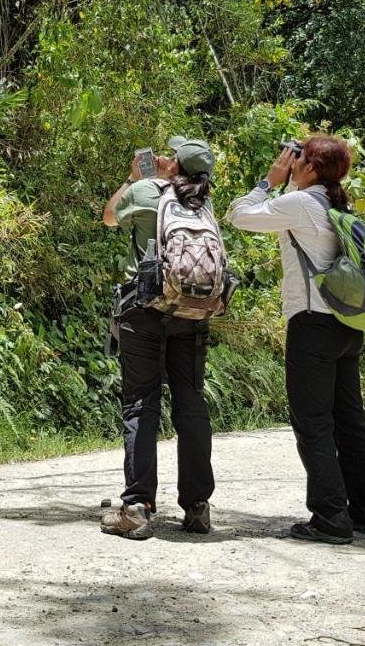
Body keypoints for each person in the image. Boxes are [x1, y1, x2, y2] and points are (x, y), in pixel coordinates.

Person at [226, 136, 365, 545]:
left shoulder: (301, 203)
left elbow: (239, 216)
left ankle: (331, 517)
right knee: (351, 422)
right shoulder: (336, 204)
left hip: (312, 323)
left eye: (298, 159)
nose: (292, 164)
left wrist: (269, 182)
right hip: (346, 324)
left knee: (313, 424)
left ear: (311, 168)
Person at [99, 136, 217, 540]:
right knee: (191, 403)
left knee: (140, 403)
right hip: (191, 312)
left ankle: (137, 508)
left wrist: (134, 177)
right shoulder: (203, 201)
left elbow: (110, 217)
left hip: (144, 308)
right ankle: (197, 506)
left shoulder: (147, 191)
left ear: (174, 164)